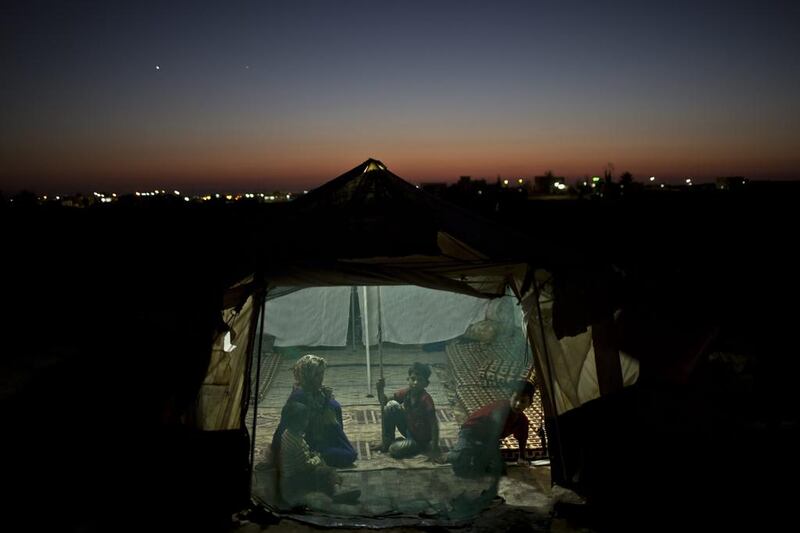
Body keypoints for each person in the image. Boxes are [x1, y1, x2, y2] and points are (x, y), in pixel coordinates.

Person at [271, 354, 357, 467]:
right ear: (308, 376)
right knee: (349, 454)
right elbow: (286, 428)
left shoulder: (320, 394)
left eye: (322, 373)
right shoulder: (299, 397)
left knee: (334, 405)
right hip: (306, 443)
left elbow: (330, 426)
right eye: (317, 375)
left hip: (320, 440)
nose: (321, 378)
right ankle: (315, 458)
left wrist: (327, 403)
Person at [277, 401, 361, 508]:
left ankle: (336, 484)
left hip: (289, 476)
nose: (307, 421)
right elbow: (304, 466)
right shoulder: (296, 442)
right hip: (296, 478)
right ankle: (335, 491)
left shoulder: (287, 434)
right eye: (305, 419)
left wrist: (311, 455)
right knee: (325, 471)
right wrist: (316, 459)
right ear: (298, 422)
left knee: (322, 465)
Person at [448, 379, 536, 478]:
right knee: (460, 465)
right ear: (510, 397)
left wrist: (522, 458)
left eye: (523, 401)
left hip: (487, 440)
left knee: (498, 469)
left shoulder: (522, 421)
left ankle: (478, 457)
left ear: (530, 403)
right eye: (515, 399)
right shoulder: (501, 409)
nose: (518, 404)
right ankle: (463, 453)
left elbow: (522, 439)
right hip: (470, 432)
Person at [375, 362, 442, 460]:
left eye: (420, 380)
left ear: (426, 384)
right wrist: (380, 390)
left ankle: (417, 447)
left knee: (394, 450)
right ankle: (387, 440)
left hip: (420, 440)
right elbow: (384, 402)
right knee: (391, 406)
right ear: (408, 379)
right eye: (413, 379)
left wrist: (434, 449)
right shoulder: (406, 393)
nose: (415, 383)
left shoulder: (426, 399)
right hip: (409, 429)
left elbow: (434, 425)